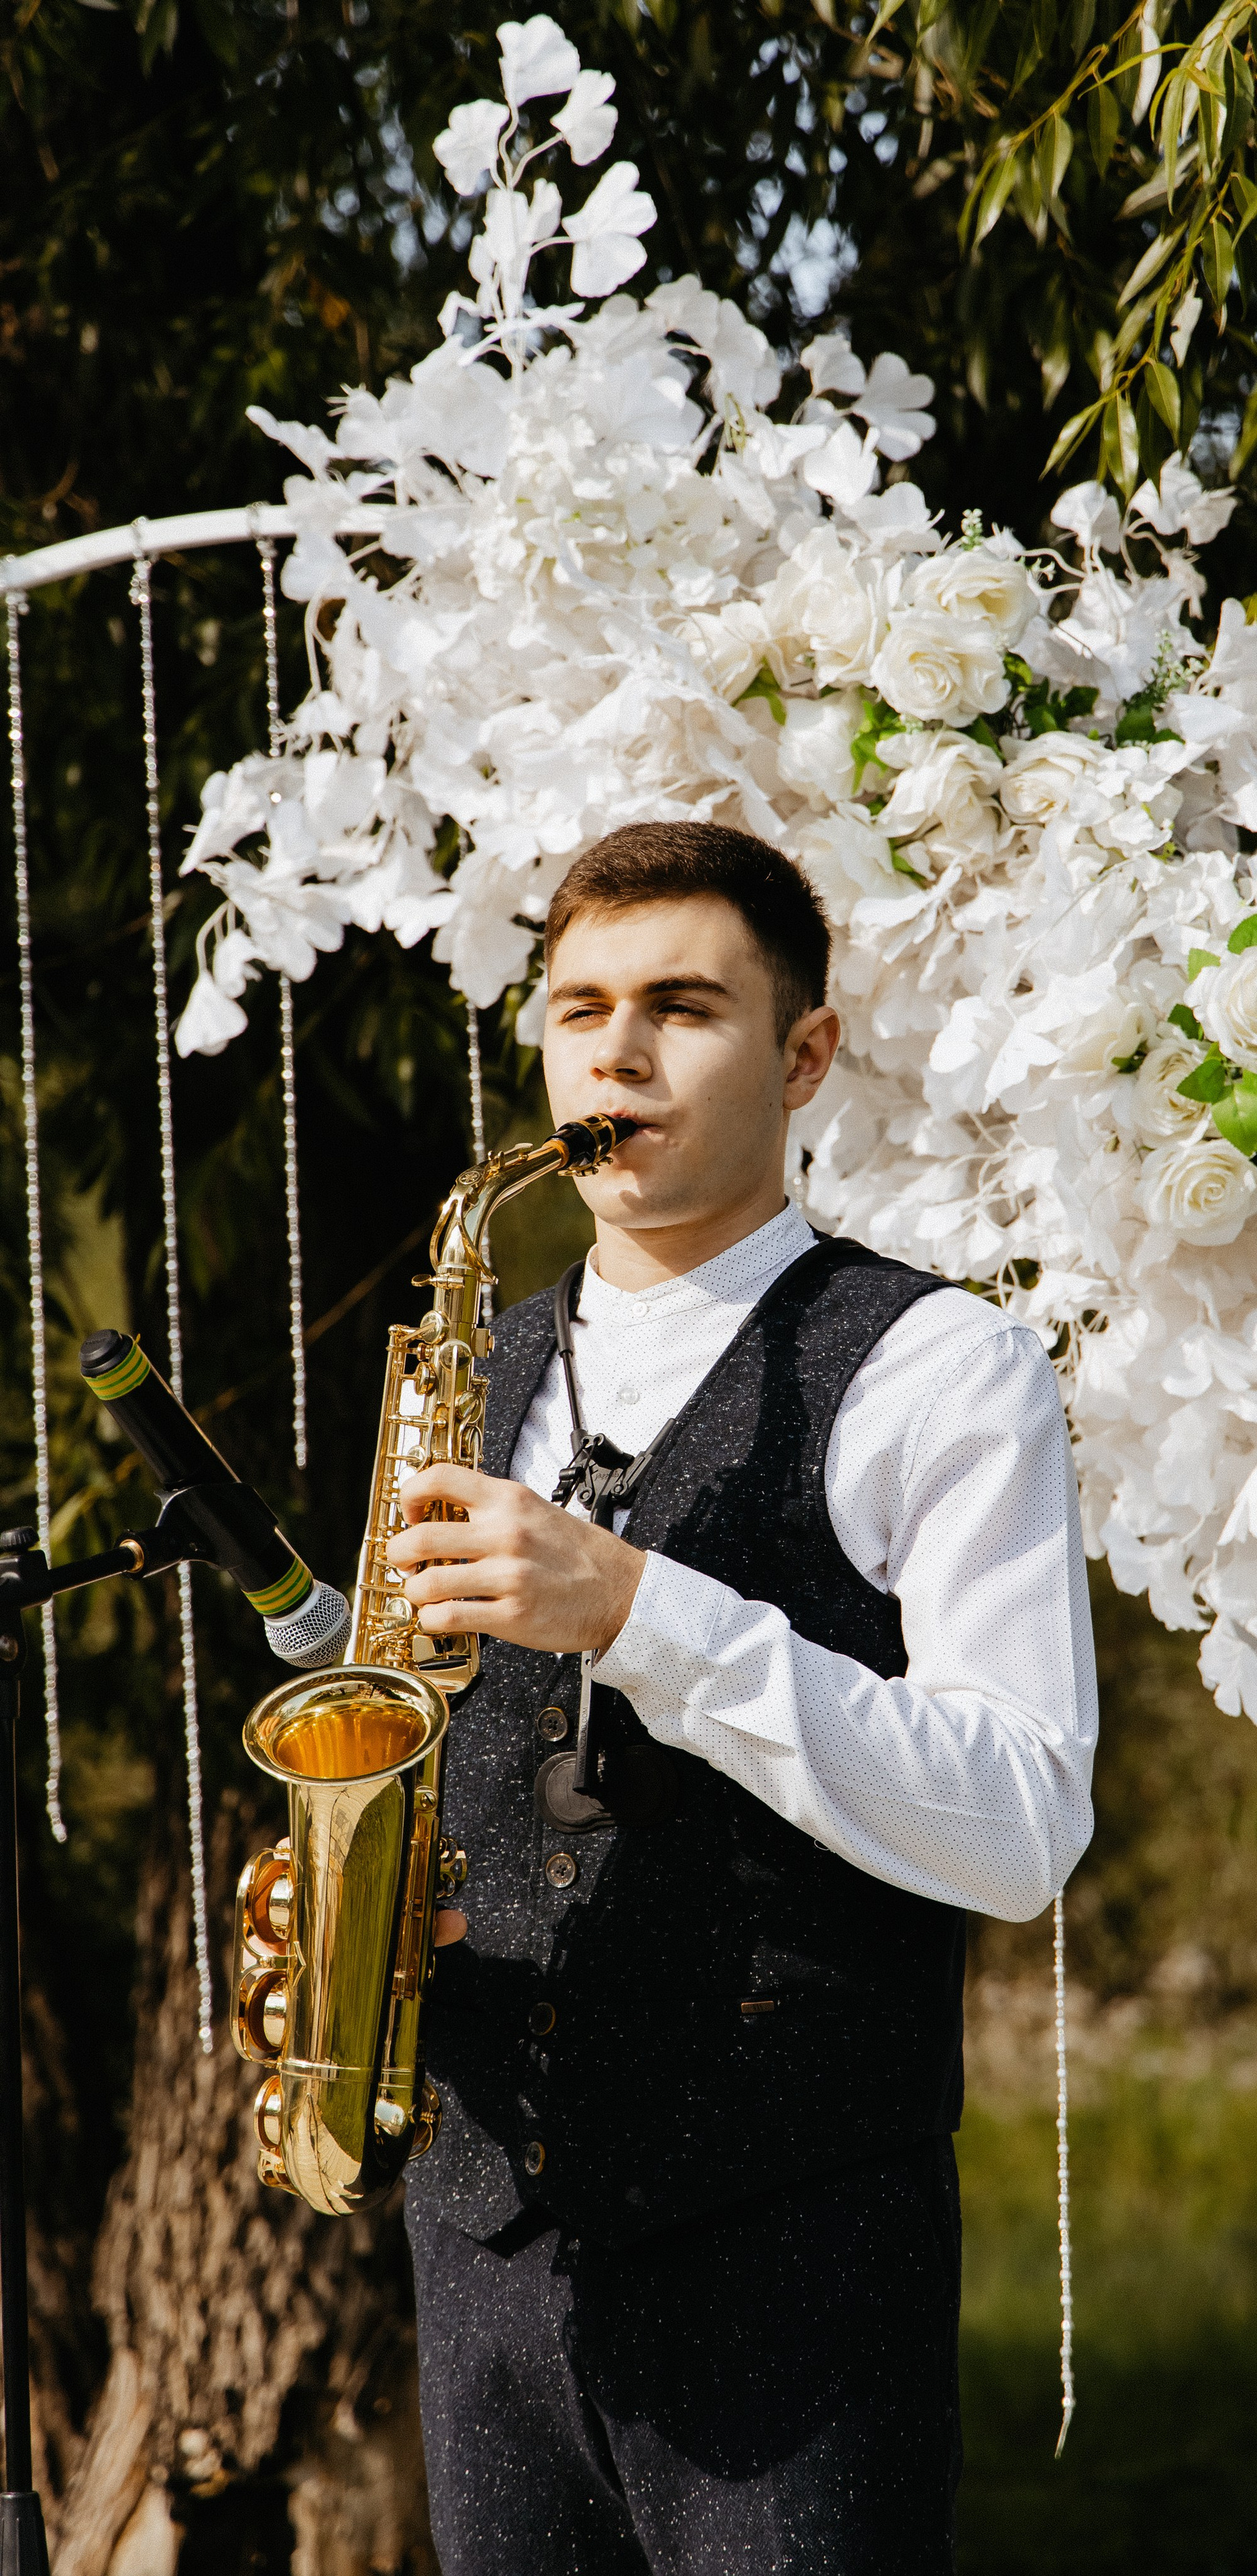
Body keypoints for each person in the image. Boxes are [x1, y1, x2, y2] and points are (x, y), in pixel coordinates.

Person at [387, 820, 1097, 2576]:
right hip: (482, 2244)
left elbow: (1021, 1825)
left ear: (804, 1056)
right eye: (579, 1009)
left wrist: (640, 1609)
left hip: (789, 2254)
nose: (615, 1054)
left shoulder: (947, 1368)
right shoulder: (469, 1369)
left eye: (681, 1007)